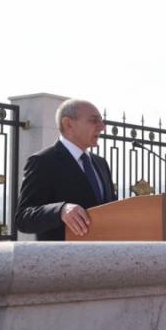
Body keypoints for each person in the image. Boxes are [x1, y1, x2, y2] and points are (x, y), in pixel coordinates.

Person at [15, 99, 116, 240]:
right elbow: (23, 218)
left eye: (101, 121)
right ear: (68, 124)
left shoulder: (100, 163)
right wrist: (60, 210)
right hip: (62, 258)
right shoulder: (43, 161)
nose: (102, 127)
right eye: (94, 121)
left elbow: (111, 209)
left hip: (104, 256)